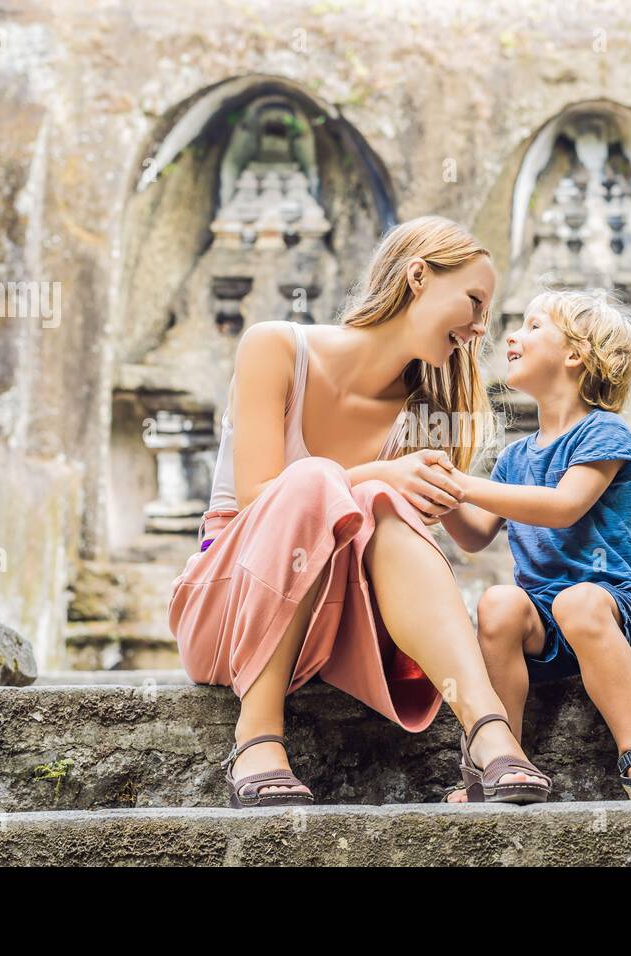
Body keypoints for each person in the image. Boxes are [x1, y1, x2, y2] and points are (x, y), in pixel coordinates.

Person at [168, 215, 552, 807]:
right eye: (474, 303)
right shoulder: (275, 346)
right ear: (418, 276)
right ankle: (258, 735)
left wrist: (535, 470)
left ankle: (487, 731)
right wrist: (379, 473)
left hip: (334, 634)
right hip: (228, 610)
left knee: (379, 500)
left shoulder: (419, 415)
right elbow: (258, 500)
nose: (479, 329)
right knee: (321, 480)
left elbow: (470, 535)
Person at [437, 287, 631, 802]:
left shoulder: (604, 432)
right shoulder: (515, 457)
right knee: (498, 603)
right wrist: (441, 487)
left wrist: (466, 484)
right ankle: (501, 760)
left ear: (575, 355)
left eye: (533, 326)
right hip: (545, 628)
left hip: (616, 615)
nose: (512, 335)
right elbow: (473, 535)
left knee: (576, 601)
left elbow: (563, 506)